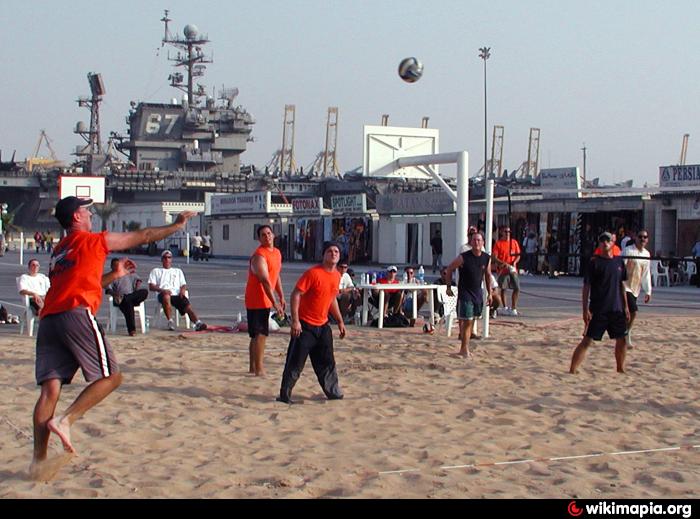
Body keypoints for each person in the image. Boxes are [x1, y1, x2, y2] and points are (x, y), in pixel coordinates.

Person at [30, 196, 196, 480]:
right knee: (112, 377)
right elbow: (142, 236)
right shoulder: (91, 240)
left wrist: (115, 274)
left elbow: (85, 281)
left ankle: (38, 462)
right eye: (85, 210)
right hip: (75, 313)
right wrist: (177, 225)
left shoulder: (59, 249)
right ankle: (66, 420)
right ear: (75, 218)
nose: (89, 213)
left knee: (50, 390)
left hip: (49, 320)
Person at [277, 241, 346, 404]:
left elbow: (331, 299)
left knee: (327, 361)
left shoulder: (337, 275)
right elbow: (296, 294)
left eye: (336, 251)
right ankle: (285, 395)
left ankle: (333, 391)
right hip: (305, 326)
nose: (334, 253)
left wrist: (340, 321)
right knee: (295, 362)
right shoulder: (313, 273)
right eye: (330, 251)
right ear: (323, 255)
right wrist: (295, 321)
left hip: (323, 327)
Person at [569, 232, 630, 374]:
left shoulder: (618, 262)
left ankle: (620, 368)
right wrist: (585, 309)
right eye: (602, 240)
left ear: (613, 242)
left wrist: (625, 306)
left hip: (616, 309)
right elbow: (586, 287)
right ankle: (573, 369)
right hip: (599, 309)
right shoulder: (594, 263)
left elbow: (622, 285)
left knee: (622, 340)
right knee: (587, 341)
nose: (605, 243)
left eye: (608, 240)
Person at [244, 225, 285, 377]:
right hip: (257, 298)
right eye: (263, 235)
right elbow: (265, 280)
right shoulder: (259, 256)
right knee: (260, 334)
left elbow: (276, 275)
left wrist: (281, 295)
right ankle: (258, 368)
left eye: (269, 233)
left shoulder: (277, 253)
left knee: (257, 334)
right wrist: (275, 303)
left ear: (273, 235)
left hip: (266, 299)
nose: (267, 236)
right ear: (259, 238)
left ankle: (253, 367)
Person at [445, 232, 492, 358]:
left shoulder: (486, 258)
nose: (476, 242)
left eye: (479, 240)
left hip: (477, 293)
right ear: (471, 243)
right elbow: (449, 269)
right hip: (465, 293)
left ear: (483, 243)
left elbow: (488, 276)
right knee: (467, 321)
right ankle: (464, 349)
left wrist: (490, 293)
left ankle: (465, 347)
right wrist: (448, 287)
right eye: (474, 240)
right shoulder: (463, 257)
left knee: (472, 321)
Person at [148, 250, 207, 331]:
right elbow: (151, 286)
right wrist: (162, 290)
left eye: (169, 257)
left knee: (186, 304)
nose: (167, 260)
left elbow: (183, 284)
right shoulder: (156, 271)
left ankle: (197, 322)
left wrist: (182, 290)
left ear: (171, 259)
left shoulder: (177, 271)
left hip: (176, 294)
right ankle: (170, 321)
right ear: (162, 259)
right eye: (165, 258)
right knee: (166, 297)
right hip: (163, 294)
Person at [622, 230, 652, 349]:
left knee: (626, 314)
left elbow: (646, 273)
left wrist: (648, 290)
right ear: (635, 238)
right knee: (633, 312)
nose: (643, 239)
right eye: (640, 237)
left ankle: (625, 333)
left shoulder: (646, 254)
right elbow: (620, 267)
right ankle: (626, 334)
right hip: (624, 286)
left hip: (635, 287)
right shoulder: (628, 250)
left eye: (645, 237)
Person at [105, 258, 149, 336]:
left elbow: (137, 279)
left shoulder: (126, 273)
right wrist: (115, 294)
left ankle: (126, 298)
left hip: (130, 296)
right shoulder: (111, 276)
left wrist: (137, 283)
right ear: (111, 266)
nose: (117, 267)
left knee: (144, 292)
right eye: (115, 265)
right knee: (128, 304)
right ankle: (132, 330)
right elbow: (108, 289)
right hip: (119, 299)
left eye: (118, 265)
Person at [492, 226, 521, 316]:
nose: (508, 233)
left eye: (509, 231)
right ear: (501, 232)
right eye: (506, 231)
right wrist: (503, 263)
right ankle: (505, 307)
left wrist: (515, 262)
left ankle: (513, 308)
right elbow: (494, 257)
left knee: (517, 287)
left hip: (512, 269)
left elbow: (518, 255)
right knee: (504, 288)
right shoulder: (498, 244)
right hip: (503, 269)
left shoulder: (514, 242)